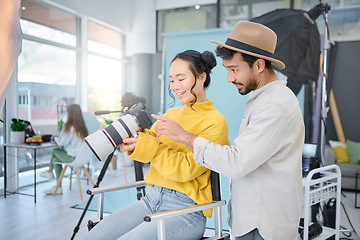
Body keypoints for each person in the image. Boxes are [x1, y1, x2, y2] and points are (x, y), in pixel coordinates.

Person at [152, 21, 305, 240]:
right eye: (227, 70)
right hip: (251, 218)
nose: (229, 78)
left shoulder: (275, 105)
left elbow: (236, 162)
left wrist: (183, 137)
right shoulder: (262, 98)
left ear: (259, 65)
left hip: (262, 225)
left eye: (234, 70)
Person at [84, 50, 229, 240]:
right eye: (171, 80)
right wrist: (134, 135)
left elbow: (185, 169)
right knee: (93, 236)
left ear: (202, 77)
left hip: (187, 211)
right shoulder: (171, 114)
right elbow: (147, 144)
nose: (175, 86)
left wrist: (149, 145)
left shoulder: (215, 122)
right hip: (151, 200)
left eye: (180, 78)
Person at [40, 104, 88, 195]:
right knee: (56, 159)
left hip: (73, 158)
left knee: (55, 151)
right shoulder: (82, 127)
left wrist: (54, 139)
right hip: (82, 158)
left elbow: (61, 143)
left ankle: (50, 172)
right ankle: (58, 186)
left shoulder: (70, 127)